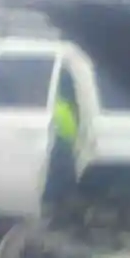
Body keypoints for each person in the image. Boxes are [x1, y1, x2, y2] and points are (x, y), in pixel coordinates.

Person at [41, 72, 81, 213]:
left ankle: (56, 207)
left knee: (58, 179)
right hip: (65, 143)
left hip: (60, 144)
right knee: (64, 179)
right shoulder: (66, 105)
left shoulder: (55, 105)